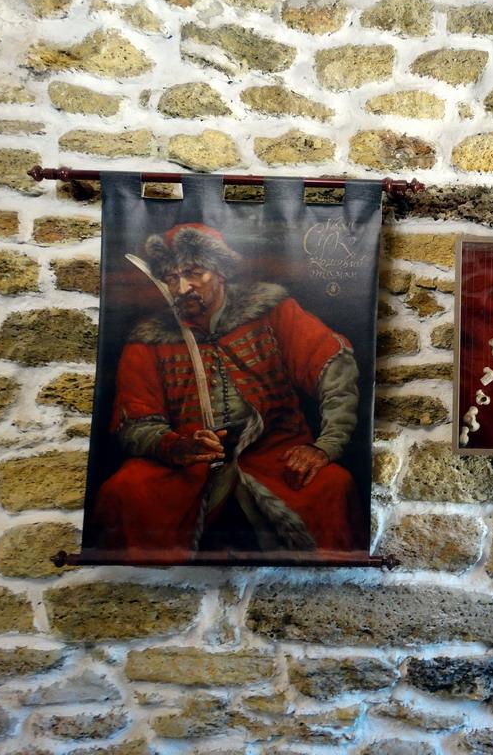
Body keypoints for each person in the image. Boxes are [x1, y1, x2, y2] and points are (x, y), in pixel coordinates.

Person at [92, 222, 362, 556]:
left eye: (194, 273)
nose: (181, 288)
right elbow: (135, 423)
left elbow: (334, 367)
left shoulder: (272, 312)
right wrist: (174, 445)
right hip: (185, 466)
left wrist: (326, 445)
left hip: (275, 452)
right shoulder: (147, 341)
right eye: (172, 278)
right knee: (122, 491)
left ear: (219, 272)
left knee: (334, 486)